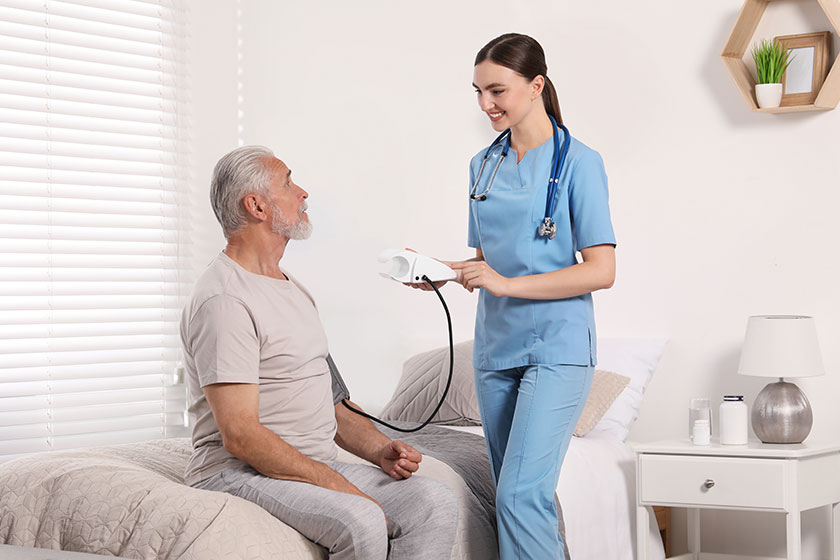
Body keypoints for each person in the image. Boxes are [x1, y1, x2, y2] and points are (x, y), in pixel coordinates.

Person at [181, 145, 458, 560]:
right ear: (256, 205)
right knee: (360, 518)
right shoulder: (225, 299)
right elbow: (239, 435)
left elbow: (333, 403)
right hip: (235, 472)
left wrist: (378, 450)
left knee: (433, 503)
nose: (303, 192)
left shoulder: (291, 286)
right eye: (289, 182)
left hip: (309, 462)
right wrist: (334, 484)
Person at [413, 33, 616, 559]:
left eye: (497, 90)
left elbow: (601, 270)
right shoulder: (484, 165)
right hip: (495, 349)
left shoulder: (579, 163)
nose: (486, 104)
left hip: (557, 347)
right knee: (517, 494)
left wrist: (504, 284)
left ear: (537, 86)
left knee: (522, 494)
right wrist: (440, 271)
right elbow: (484, 262)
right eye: (478, 92)